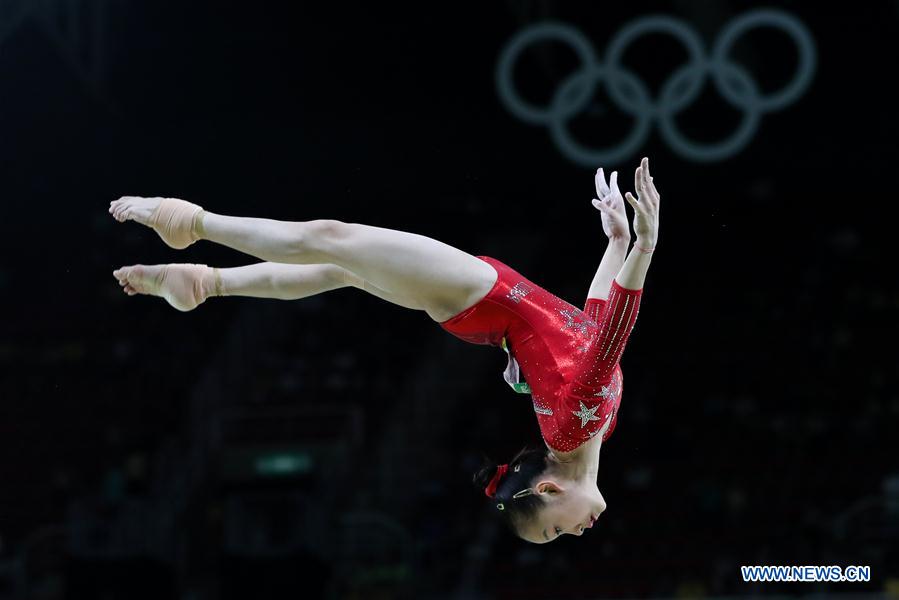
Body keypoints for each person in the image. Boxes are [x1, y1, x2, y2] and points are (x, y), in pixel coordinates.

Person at [110, 157, 661, 544]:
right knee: (338, 265)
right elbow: (593, 328)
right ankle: (205, 283)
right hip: (482, 303)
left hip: (482, 296)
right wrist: (618, 244)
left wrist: (644, 245)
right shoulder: (591, 430)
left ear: (546, 486)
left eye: (554, 530)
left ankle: (192, 224)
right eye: (557, 532)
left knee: (334, 240)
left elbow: (610, 338)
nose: (572, 532)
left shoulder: (572, 432)